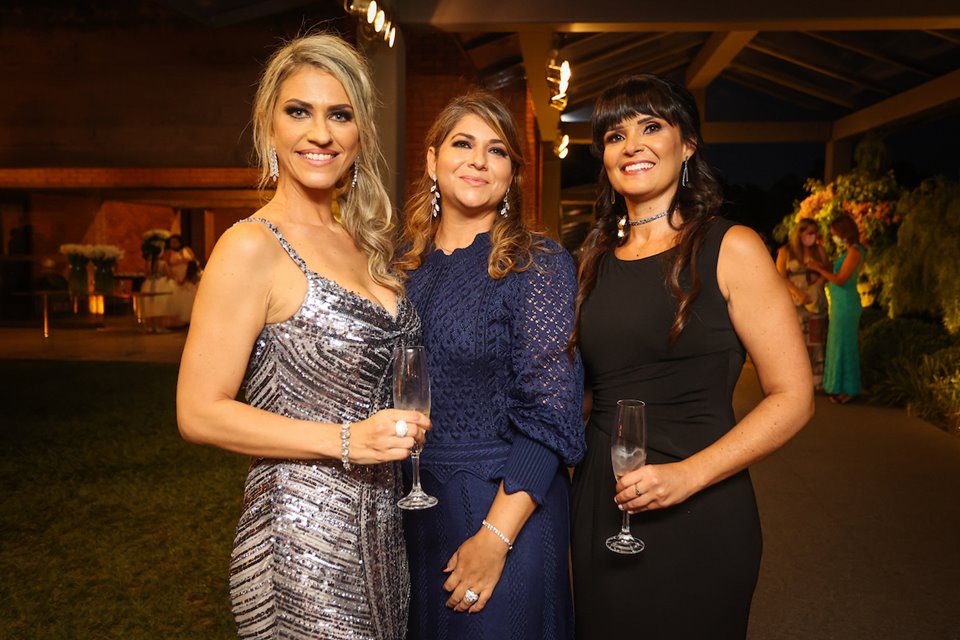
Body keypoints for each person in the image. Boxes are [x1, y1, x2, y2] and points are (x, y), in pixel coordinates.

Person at [176, 33, 429, 639]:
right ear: (269, 125)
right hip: (299, 542)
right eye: (299, 112)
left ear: (360, 132)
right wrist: (345, 439)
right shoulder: (250, 246)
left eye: (339, 114)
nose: (320, 133)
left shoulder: (362, 243)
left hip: (385, 534)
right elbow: (198, 413)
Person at [569, 74, 814, 640]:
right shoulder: (589, 259)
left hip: (702, 505)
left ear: (688, 145)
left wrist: (687, 476)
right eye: (615, 135)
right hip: (604, 508)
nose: (632, 145)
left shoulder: (732, 247)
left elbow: (794, 397)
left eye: (651, 126)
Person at [394, 92, 585, 639]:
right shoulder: (397, 265)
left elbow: (551, 413)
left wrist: (493, 540)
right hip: (411, 507)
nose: (478, 160)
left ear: (512, 175)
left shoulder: (536, 264)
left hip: (504, 506)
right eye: (463, 143)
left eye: (497, 150)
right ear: (432, 160)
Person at [806, 214, 863, 404]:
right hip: (839, 304)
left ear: (844, 232)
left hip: (846, 304)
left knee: (845, 345)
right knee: (837, 344)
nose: (833, 237)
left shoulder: (855, 251)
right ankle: (837, 387)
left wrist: (818, 268)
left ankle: (848, 389)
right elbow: (836, 271)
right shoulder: (848, 251)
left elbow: (840, 279)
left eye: (834, 234)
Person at [776, 218, 829, 389]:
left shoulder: (819, 250)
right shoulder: (786, 251)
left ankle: (816, 380)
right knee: (796, 340)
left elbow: (828, 271)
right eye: (809, 233)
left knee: (816, 339)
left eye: (815, 233)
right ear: (800, 233)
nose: (813, 236)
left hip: (815, 301)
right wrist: (797, 292)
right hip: (795, 300)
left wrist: (815, 286)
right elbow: (780, 276)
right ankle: (795, 380)